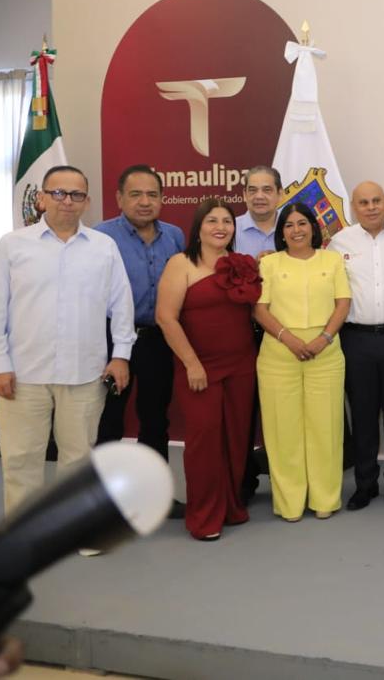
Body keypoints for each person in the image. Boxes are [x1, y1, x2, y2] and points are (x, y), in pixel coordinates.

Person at [0, 166, 135, 516]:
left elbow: (121, 305)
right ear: (42, 198)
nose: (67, 201)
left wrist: (121, 355)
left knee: (78, 461)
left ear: (87, 202)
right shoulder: (12, 245)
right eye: (58, 193)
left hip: (85, 374)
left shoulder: (104, 247)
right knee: (21, 461)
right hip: (23, 375)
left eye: (76, 194)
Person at [155, 198, 261, 540]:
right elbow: (165, 318)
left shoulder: (240, 264)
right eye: (212, 220)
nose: (220, 227)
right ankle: (204, 517)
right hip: (199, 368)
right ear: (198, 227)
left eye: (227, 221)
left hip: (241, 365)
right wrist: (191, 363)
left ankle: (230, 506)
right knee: (204, 441)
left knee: (236, 439)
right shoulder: (181, 263)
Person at [252, 202, 351, 521]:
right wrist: (289, 339)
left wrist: (324, 338)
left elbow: (343, 303)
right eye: (289, 225)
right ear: (281, 232)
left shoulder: (332, 260)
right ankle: (289, 502)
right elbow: (259, 309)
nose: (296, 230)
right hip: (279, 355)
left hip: (326, 354)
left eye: (302, 223)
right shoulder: (269, 263)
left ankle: (325, 498)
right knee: (283, 431)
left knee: (326, 428)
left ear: (313, 227)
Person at [329, 181, 384, 511]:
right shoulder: (339, 242)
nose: (371, 207)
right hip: (356, 340)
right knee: (363, 414)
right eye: (363, 202)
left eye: (376, 201)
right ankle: (364, 484)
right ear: (354, 207)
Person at [95, 165, 185, 478]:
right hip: (111, 339)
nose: (144, 202)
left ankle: (155, 491)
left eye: (152, 194)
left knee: (155, 418)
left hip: (157, 339)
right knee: (109, 418)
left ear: (162, 198)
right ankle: (104, 494)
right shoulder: (101, 236)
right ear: (119, 198)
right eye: (135, 194)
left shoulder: (174, 236)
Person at [233, 165, 284, 502]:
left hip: (287, 332)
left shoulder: (295, 226)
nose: (260, 196)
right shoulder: (229, 228)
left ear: (280, 193)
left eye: (267, 189)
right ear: (244, 194)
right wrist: (252, 266)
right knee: (243, 409)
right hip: (243, 331)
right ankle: (243, 481)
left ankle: (288, 481)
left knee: (284, 410)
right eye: (253, 190)